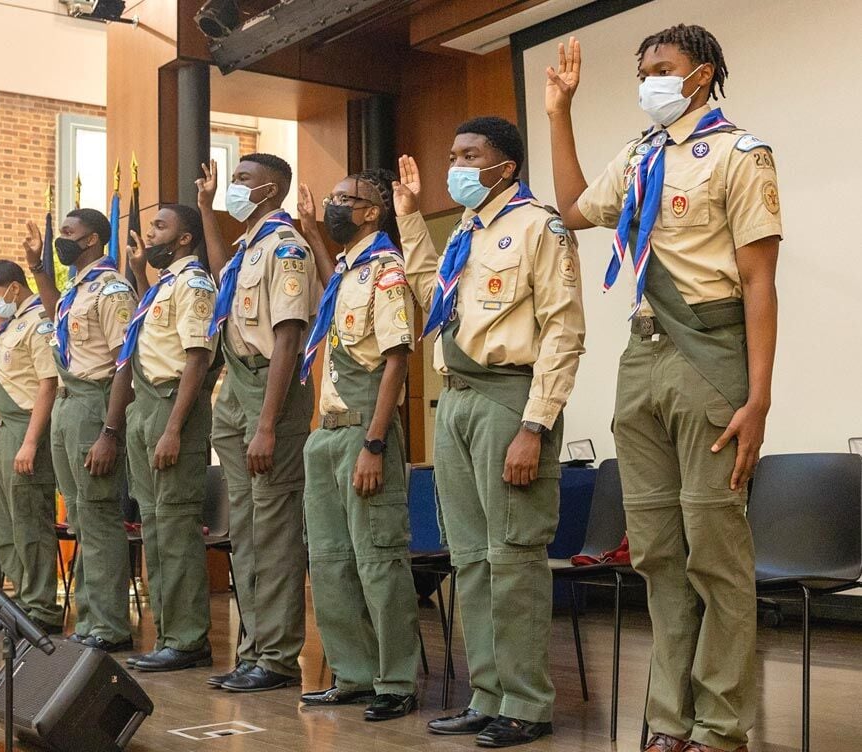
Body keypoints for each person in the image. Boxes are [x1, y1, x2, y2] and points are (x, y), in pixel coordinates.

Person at [545, 26, 781, 752]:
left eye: (664, 68)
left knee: (714, 549)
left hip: (708, 355)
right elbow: (575, 207)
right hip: (640, 356)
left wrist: (760, 399)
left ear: (701, 74)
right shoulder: (640, 154)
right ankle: (668, 722)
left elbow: (758, 283)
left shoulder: (743, 154)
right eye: (643, 70)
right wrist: (559, 112)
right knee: (654, 552)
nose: (650, 80)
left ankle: (719, 726)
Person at [394, 117, 586, 747]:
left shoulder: (540, 225)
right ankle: (487, 694)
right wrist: (412, 219)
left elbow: (563, 330)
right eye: (453, 153)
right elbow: (434, 297)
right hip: (455, 401)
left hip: (510, 398)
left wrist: (537, 423)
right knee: (471, 559)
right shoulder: (467, 233)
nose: (457, 165)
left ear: (505, 166)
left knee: (513, 556)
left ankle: (527, 704)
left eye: (469, 155)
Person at [293, 168, 421, 721]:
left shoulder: (388, 271)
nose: (335, 206)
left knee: (378, 562)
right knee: (328, 563)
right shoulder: (350, 269)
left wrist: (374, 442)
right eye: (334, 198)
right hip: (327, 433)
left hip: (364, 431)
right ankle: (352, 673)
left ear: (373, 212)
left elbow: (396, 357)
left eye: (348, 200)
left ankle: (395, 681)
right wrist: (312, 232)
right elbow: (337, 298)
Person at [197, 154, 319, 692]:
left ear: (272, 189)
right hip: (238, 388)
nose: (234, 187)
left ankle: (276, 656)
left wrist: (268, 424)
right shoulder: (250, 246)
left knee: (273, 531)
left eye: (244, 180)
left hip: (274, 386)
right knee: (244, 531)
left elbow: (289, 336)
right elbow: (225, 274)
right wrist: (205, 208)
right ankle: (252, 649)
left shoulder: (287, 246)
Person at [106, 204, 219, 672]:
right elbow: (152, 339)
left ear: (186, 239)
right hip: (146, 406)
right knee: (155, 529)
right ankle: (171, 634)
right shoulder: (164, 287)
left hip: (174, 407)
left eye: (160, 227)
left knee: (175, 530)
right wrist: (137, 274)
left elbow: (196, 357)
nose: (148, 232)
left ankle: (189, 639)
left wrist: (174, 427)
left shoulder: (194, 283)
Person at [35, 208, 136, 652]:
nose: (63, 240)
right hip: (67, 406)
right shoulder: (79, 289)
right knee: (80, 519)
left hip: (95, 406)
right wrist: (39, 269)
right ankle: (90, 619)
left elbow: (123, 362)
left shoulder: (112, 289)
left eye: (69, 234)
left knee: (99, 520)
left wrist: (111, 431)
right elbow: (55, 313)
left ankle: (109, 626)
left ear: (93, 240)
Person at [0, 258, 63, 635]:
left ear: (14, 287)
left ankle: (41, 607)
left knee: (30, 524)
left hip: (24, 430)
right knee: (7, 529)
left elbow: (48, 383)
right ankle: (21, 606)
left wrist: (30, 442)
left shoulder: (38, 323)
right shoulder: (10, 327)